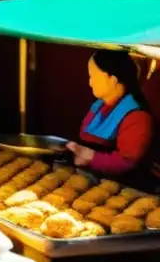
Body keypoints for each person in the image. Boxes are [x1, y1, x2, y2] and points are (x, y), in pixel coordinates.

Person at [66, 50, 155, 187]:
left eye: (93, 77)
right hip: (89, 179)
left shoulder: (137, 117)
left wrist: (91, 158)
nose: (90, 83)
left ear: (112, 80)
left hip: (124, 188)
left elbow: (127, 162)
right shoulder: (99, 106)